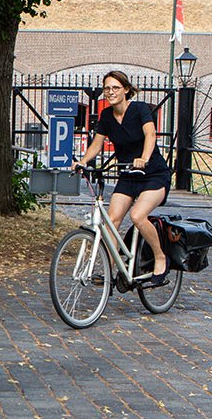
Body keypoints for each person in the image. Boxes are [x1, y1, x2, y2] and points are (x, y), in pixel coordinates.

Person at [71, 70, 171, 284]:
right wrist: (82, 161)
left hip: (153, 174)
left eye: (115, 87)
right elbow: (96, 144)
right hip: (128, 176)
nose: (110, 92)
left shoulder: (140, 109)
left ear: (126, 89)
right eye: (107, 88)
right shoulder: (107, 116)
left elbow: (150, 134)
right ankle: (114, 271)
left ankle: (160, 257)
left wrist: (143, 158)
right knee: (112, 221)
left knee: (137, 216)